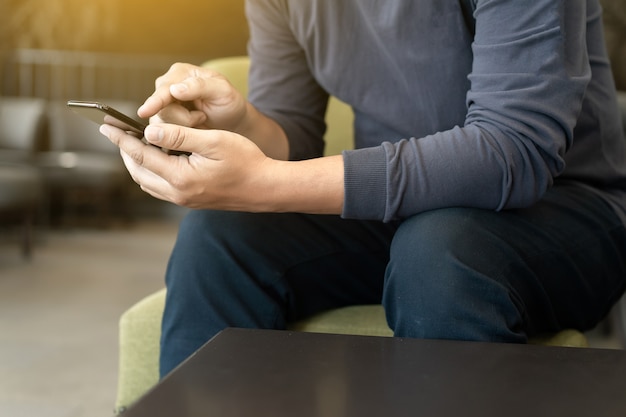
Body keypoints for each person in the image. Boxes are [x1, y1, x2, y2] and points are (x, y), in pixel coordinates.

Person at [100, 0, 626, 378]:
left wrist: (267, 183)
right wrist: (241, 123)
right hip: (401, 214)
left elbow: (514, 150)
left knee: (438, 252)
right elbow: (294, 134)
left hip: (565, 209)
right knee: (219, 235)